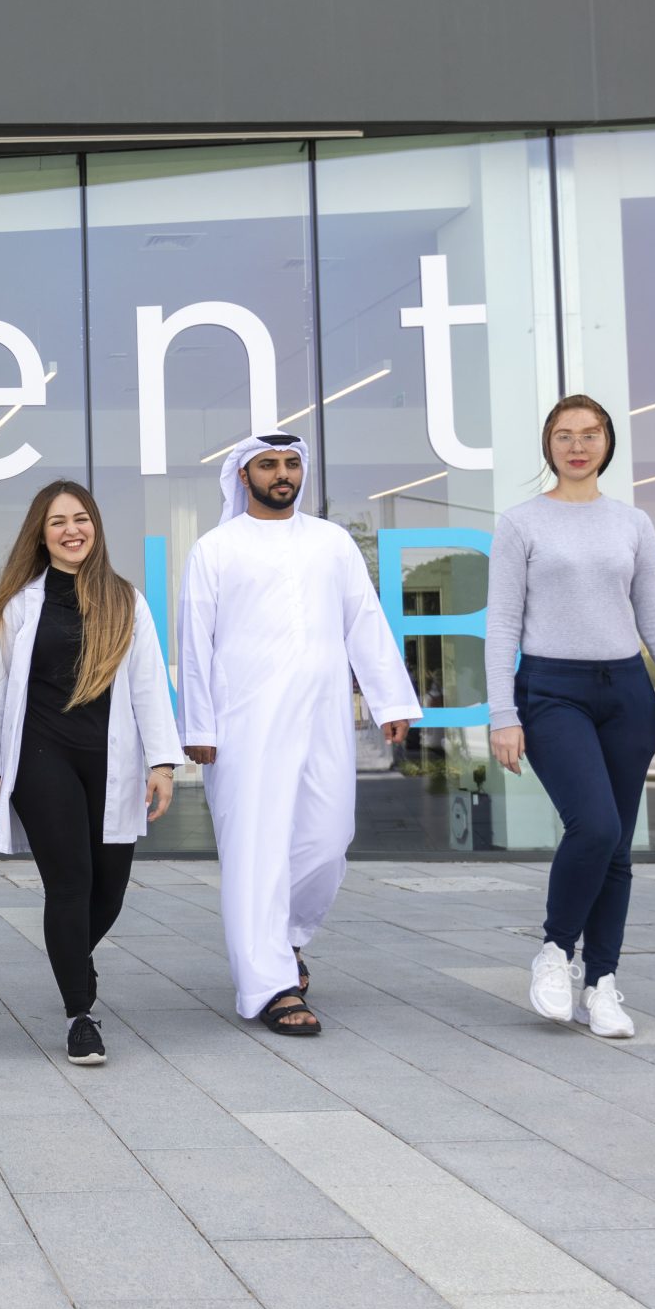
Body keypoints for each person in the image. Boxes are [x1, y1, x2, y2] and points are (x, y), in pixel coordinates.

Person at [487, 396, 655, 1040]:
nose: (577, 446)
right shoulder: (521, 523)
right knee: (595, 825)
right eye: (564, 435)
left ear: (607, 443)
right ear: (548, 445)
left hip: (627, 692)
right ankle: (555, 951)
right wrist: (503, 712)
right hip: (552, 690)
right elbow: (502, 622)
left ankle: (602, 982)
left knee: (617, 847)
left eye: (590, 435)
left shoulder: (632, 523)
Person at [179, 435, 419, 1037]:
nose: (282, 474)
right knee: (256, 851)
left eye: (291, 464)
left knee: (329, 838)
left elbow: (364, 619)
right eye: (268, 465)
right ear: (244, 476)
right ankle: (271, 986)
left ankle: (284, 940)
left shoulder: (332, 541)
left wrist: (390, 698)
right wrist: (198, 725)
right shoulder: (216, 548)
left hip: (323, 716)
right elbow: (194, 641)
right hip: (244, 724)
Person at [0, 481, 182, 1067]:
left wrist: (163, 762)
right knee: (69, 884)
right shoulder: (21, 606)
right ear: (40, 536)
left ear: (95, 526)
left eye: (81, 518)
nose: (72, 530)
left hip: (111, 761)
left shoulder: (126, 600)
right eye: (58, 522)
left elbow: (149, 684)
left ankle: (72, 958)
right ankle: (80, 1016)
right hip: (43, 760)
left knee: (108, 891)